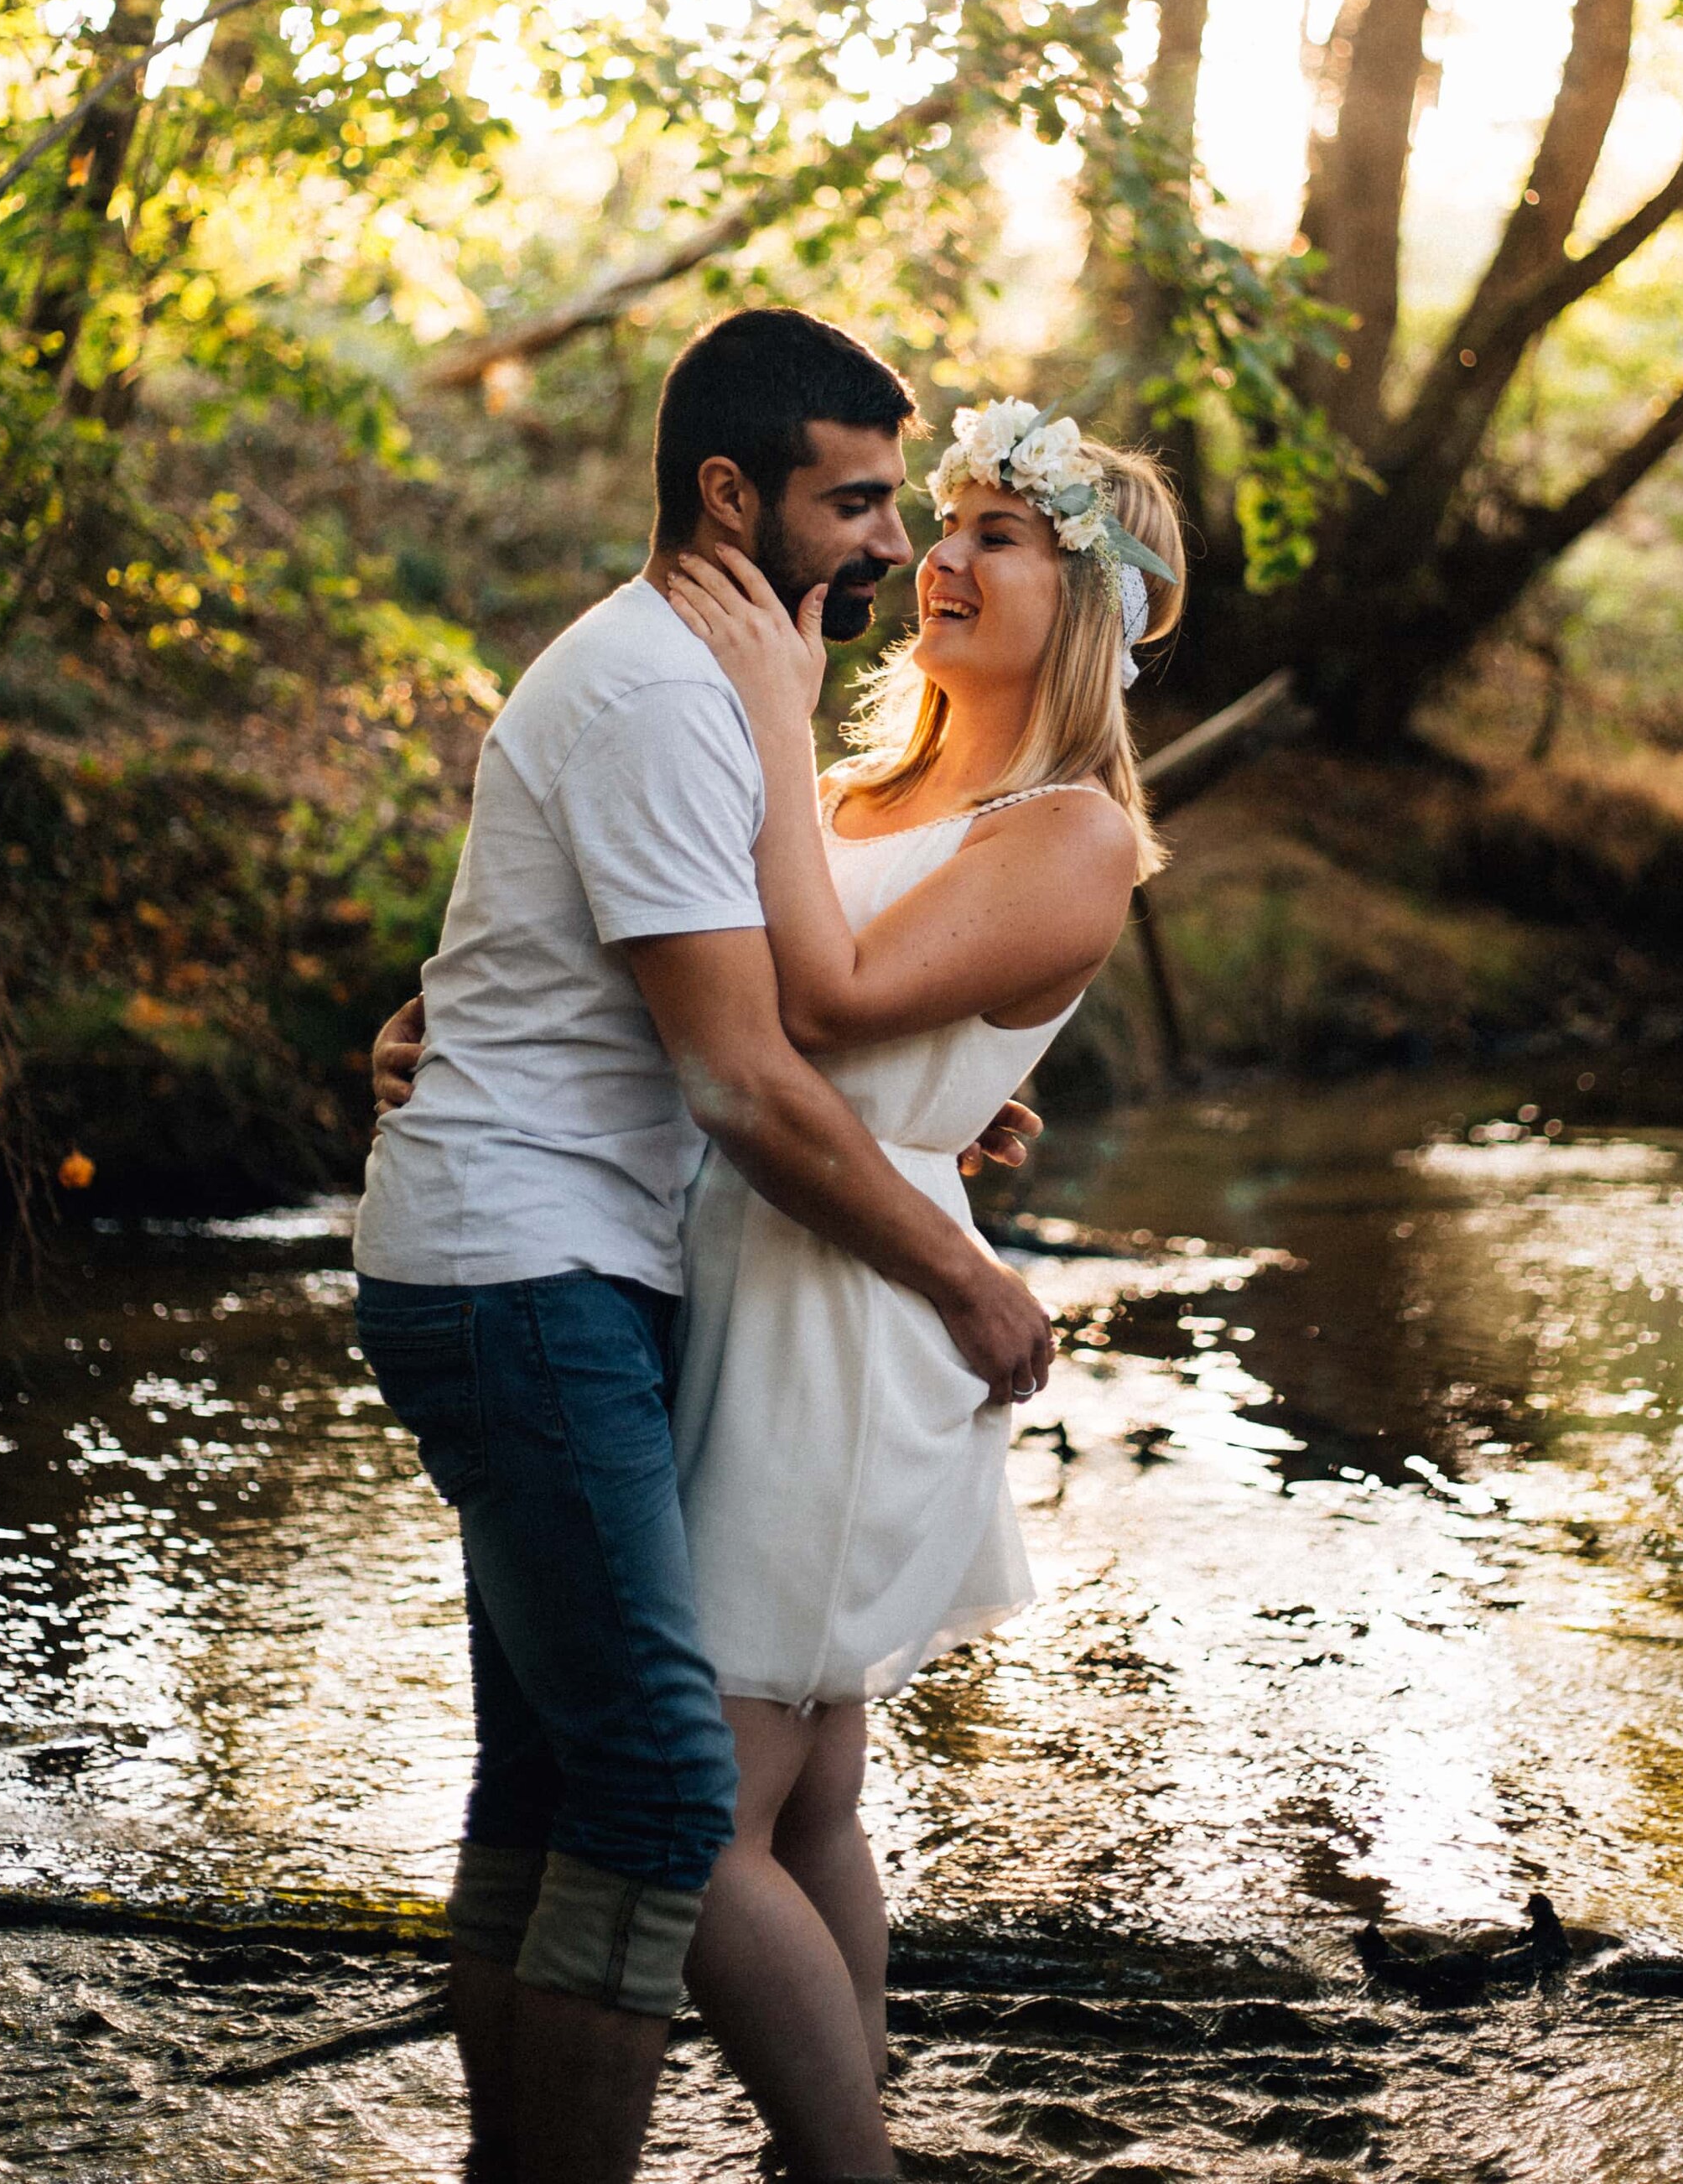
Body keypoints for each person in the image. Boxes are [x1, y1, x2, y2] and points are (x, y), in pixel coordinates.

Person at [353, 309, 1054, 2184]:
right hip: (521, 1276)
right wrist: (960, 1270)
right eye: (854, 503)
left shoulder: (700, 677)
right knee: (670, 1788)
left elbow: (749, 1015)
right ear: (727, 492)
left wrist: (940, 1106)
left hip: (565, 1259)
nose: (891, 547)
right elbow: (742, 1078)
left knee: (556, 1788)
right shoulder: (670, 691)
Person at [657, 395, 1186, 2175]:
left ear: (1085, 600)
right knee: (802, 1797)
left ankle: (841, 2166)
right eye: (940, 526)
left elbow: (817, 1001)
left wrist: (764, 705)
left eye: (997, 537)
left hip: (847, 1315)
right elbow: (742, 974)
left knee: (691, 1818)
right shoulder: (874, 785)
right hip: (762, 1247)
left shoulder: (1072, 830)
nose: (938, 562)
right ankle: (834, 2137)